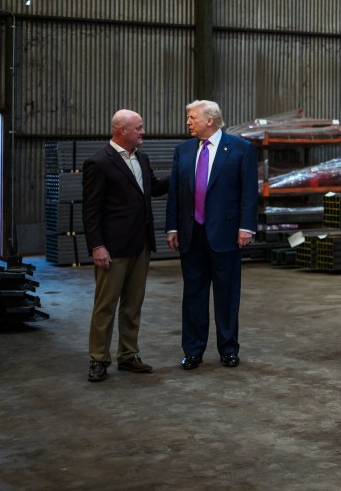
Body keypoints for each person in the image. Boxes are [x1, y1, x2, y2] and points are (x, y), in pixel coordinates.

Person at [165, 100, 258, 370]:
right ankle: (193, 350)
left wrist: (246, 227)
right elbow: (175, 193)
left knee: (227, 294)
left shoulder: (241, 149)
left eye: (192, 117)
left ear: (210, 120)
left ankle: (228, 348)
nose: (188, 122)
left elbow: (249, 192)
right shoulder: (182, 151)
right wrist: (172, 226)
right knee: (193, 294)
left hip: (227, 234)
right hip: (191, 234)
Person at [83, 109, 169, 382]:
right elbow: (91, 210)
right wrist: (98, 246)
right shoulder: (99, 162)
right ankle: (99, 359)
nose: (143, 132)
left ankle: (128, 355)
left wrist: (184, 172)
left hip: (140, 245)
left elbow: (153, 188)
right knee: (105, 305)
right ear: (121, 130)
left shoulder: (141, 159)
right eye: (139, 128)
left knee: (133, 304)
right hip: (113, 248)